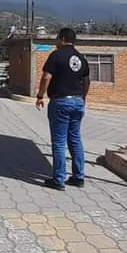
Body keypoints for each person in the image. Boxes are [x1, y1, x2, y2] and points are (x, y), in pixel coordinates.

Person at [35, 28, 89, 190]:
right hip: (78, 102)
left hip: (61, 102)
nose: (56, 42)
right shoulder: (81, 58)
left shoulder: (56, 55)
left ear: (62, 38)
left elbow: (46, 77)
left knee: (59, 142)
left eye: (57, 38)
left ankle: (58, 179)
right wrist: (82, 98)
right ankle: (78, 177)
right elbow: (87, 81)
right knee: (75, 139)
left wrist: (40, 95)